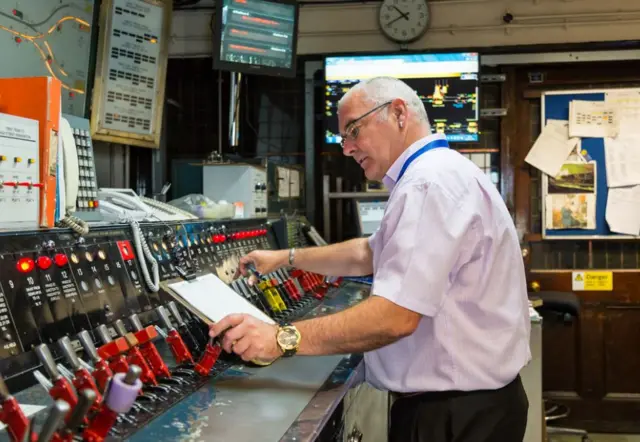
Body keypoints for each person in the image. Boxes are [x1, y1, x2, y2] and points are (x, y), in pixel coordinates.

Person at [209, 76, 531, 442]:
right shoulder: (441, 172)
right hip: (472, 407)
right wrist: (287, 256)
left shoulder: (427, 185)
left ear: (397, 113)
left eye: (353, 131)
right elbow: (369, 252)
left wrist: (280, 338)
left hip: (453, 415)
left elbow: (394, 317)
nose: (347, 148)